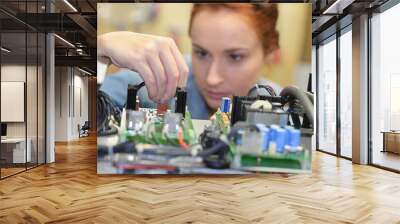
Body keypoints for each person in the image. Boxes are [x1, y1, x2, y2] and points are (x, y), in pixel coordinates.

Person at [98, 3, 280, 119]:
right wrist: (99, 50)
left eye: (235, 56)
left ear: (269, 51)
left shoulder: (285, 105)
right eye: (201, 53)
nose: (212, 79)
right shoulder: (160, 78)